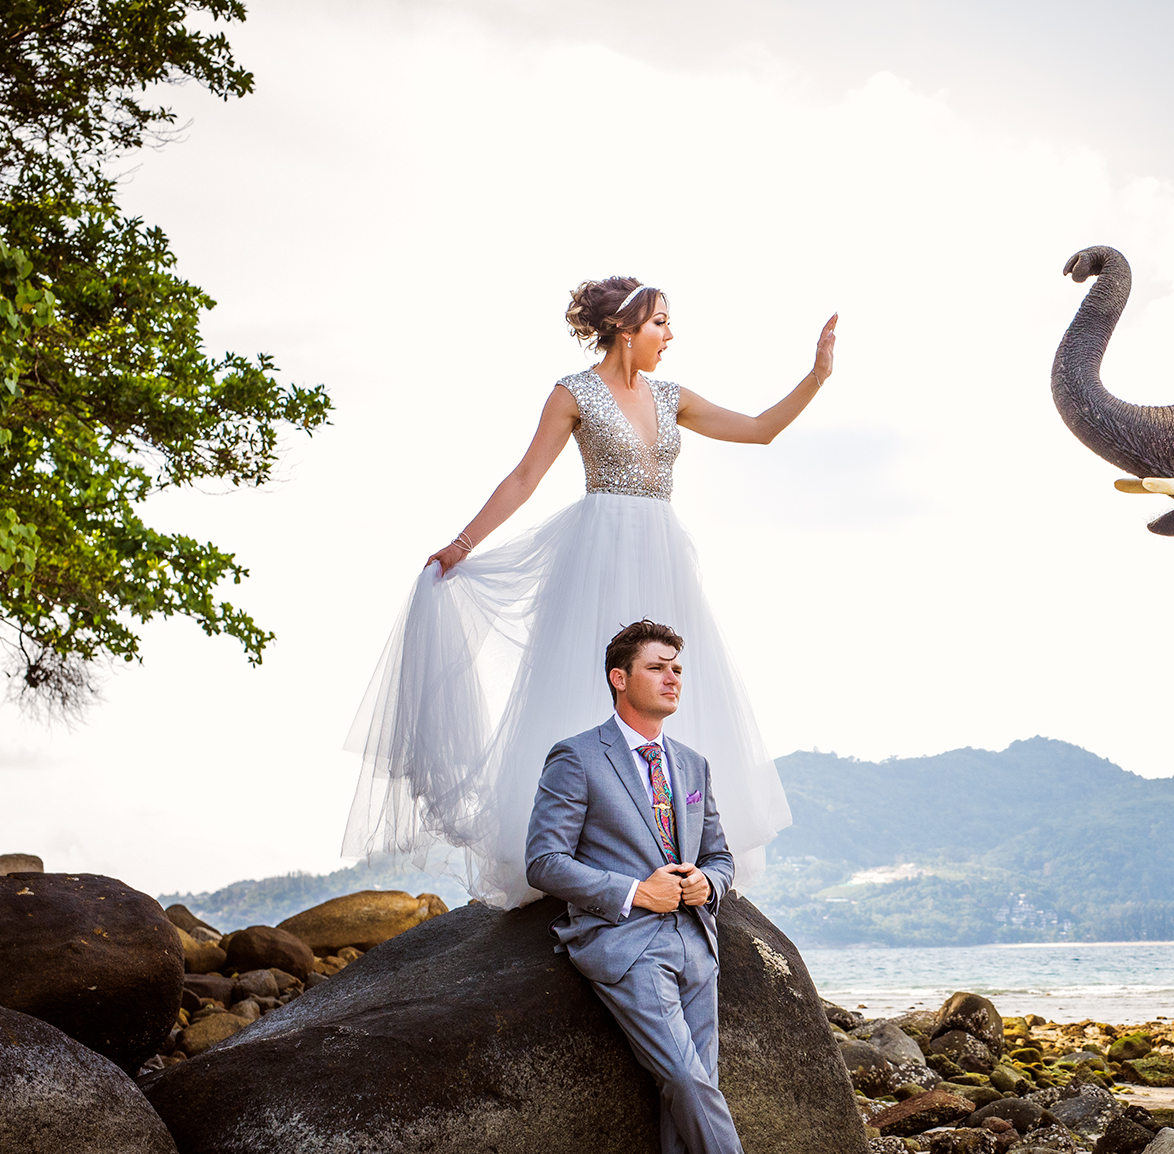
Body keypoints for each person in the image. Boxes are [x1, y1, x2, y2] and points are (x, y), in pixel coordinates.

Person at [344, 277, 835, 903]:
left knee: (671, 682)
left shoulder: (670, 396)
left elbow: (760, 428)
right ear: (626, 331)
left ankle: (680, 851)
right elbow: (524, 476)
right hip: (597, 551)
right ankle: (581, 850)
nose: (671, 334)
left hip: (661, 551)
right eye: (661, 322)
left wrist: (816, 375)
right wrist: (462, 546)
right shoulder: (571, 394)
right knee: (583, 686)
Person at [526, 619, 780, 1154]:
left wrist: (709, 884)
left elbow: (721, 855)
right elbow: (544, 861)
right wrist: (634, 890)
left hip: (697, 945)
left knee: (685, 1100)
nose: (673, 678)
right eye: (659, 667)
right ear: (621, 677)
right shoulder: (577, 757)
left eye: (677, 669)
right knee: (692, 1087)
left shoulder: (692, 765)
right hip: (624, 945)